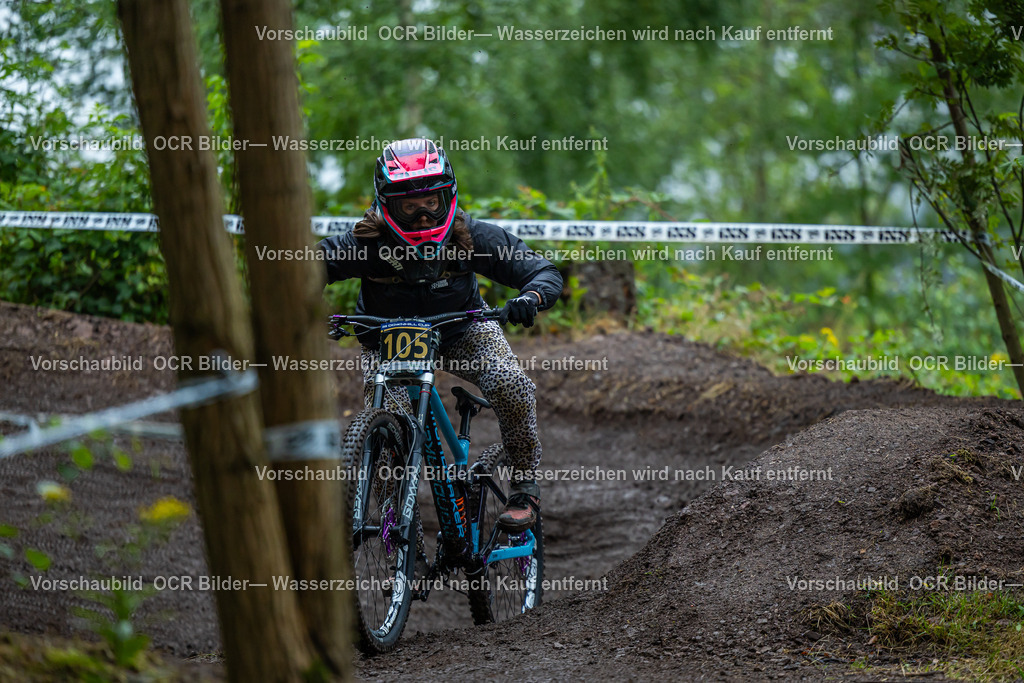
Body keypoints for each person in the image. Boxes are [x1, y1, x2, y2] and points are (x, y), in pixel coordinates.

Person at [318, 138, 562, 533]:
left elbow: (543, 272)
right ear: (386, 204)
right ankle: (396, 528)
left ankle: (524, 488)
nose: (422, 216)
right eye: (407, 206)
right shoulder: (364, 243)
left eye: (431, 202)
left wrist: (530, 298)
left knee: (510, 383)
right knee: (386, 431)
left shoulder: (472, 235)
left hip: (461, 330)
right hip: (386, 339)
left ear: (447, 198)